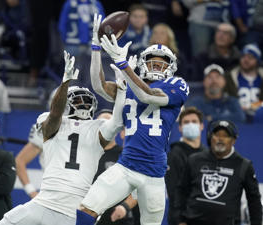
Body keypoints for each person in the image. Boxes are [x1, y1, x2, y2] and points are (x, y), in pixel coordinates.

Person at [76, 14, 189, 225]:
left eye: (162, 63)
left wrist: (122, 65)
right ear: (143, 64)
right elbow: (98, 85)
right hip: (126, 167)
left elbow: (147, 95)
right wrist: (96, 49)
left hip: (155, 175)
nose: (157, 66)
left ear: (171, 67)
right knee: (85, 210)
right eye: (153, 62)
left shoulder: (177, 85)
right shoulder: (127, 85)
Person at [0, 50, 126, 225]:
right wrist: (65, 83)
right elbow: (55, 113)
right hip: (45, 202)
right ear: (67, 104)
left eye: (87, 102)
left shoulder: (97, 128)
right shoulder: (52, 121)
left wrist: (122, 92)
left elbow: (117, 121)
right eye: (79, 101)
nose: (84, 105)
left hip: (74, 208)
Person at [173, 119, 262, 225]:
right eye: (217, 134)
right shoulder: (194, 160)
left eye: (225, 136)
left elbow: (254, 201)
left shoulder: (244, 165)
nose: (220, 139)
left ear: (233, 140)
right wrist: (179, 220)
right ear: (211, 138)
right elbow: (181, 191)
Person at [165, 107, 207, 225]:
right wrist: (180, 220)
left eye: (194, 122)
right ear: (180, 127)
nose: (190, 125)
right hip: (184, 219)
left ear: (201, 126)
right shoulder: (174, 155)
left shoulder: (207, 154)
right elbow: (174, 191)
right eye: (186, 122)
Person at [225, 43, 263, 122]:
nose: (246, 60)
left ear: (258, 60)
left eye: (250, 57)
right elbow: (224, 98)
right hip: (236, 117)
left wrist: (251, 106)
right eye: (243, 56)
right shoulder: (230, 77)